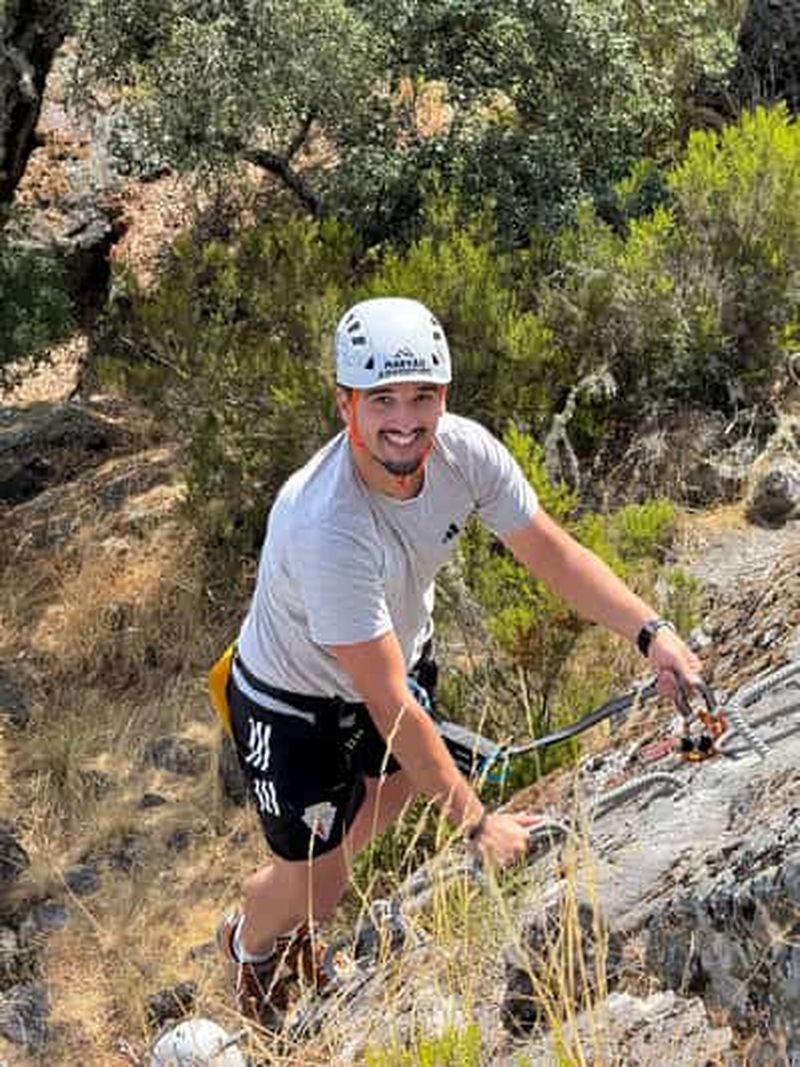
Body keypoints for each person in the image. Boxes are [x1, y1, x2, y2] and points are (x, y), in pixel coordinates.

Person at [212, 296, 701, 1028]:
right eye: (382, 400)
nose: (405, 419)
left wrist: (650, 631)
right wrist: (477, 825)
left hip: (396, 656)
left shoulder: (463, 452)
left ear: (445, 394)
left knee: (396, 791)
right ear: (345, 403)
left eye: (423, 396)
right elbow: (388, 703)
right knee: (320, 885)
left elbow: (551, 553)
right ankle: (249, 942)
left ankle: (293, 890)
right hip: (293, 703)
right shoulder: (326, 523)